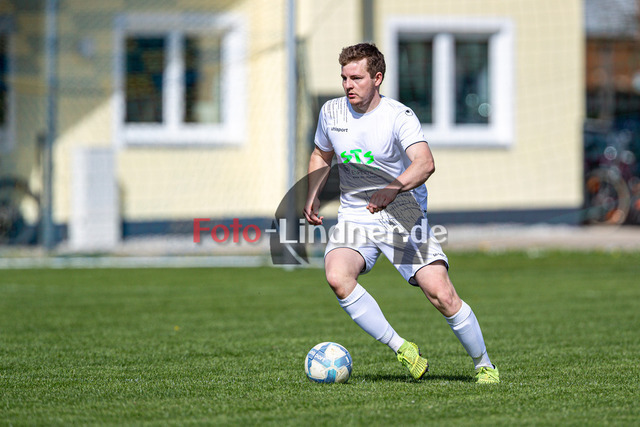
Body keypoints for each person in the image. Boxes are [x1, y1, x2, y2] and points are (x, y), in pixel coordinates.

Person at [303, 42, 499, 383]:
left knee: (441, 294)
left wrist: (392, 188)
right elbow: (321, 154)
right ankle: (403, 348)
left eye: (356, 78)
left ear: (377, 78)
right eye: (344, 78)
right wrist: (312, 194)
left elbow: (425, 163)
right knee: (337, 276)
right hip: (355, 214)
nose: (348, 85)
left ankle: (484, 365)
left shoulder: (398, 116)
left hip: (402, 212)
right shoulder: (331, 112)